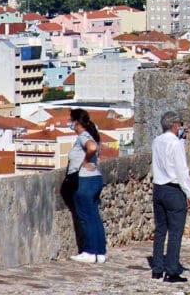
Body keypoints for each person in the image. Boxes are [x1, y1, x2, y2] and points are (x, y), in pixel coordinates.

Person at [150, 111, 190, 283]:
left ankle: (157, 269)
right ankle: (172, 271)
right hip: (173, 190)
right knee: (175, 232)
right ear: (176, 126)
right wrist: (189, 192)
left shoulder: (157, 141)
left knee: (160, 230)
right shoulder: (175, 144)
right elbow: (181, 170)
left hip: (158, 188)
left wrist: (182, 139)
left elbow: (165, 160)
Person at [69, 108, 107, 264]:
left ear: (76, 122)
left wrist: (84, 161)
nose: (69, 123)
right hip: (96, 178)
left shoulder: (84, 136)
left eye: (70, 120)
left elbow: (91, 147)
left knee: (85, 217)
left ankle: (90, 252)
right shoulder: (93, 134)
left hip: (84, 180)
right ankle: (100, 252)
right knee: (94, 216)